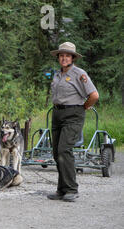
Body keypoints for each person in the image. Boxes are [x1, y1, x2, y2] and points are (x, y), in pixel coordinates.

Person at [47, 42, 99, 202]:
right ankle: (62, 190)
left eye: (67, 55)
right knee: (57, 152)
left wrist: (84, 107)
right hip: (57, 113)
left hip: (73, 114)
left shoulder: (79, 74)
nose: (64, 58)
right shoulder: (57, 74)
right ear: (58, 57)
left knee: (64, 150)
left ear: (73, 58)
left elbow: (94, 95)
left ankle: (71, 189)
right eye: (61, 55)